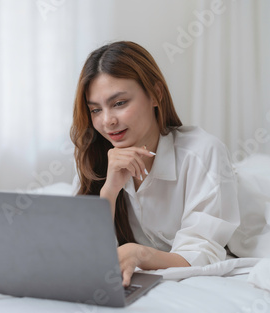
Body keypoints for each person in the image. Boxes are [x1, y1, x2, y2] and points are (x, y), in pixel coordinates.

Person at [70, 41, 240, 287]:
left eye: (119, 103)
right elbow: (81, 254)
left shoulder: (202, 153)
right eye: (96, 110)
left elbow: (204, 255)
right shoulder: (94, 158)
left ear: (155, 95)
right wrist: (109, 191)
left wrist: (141, 254)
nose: (107, 121)